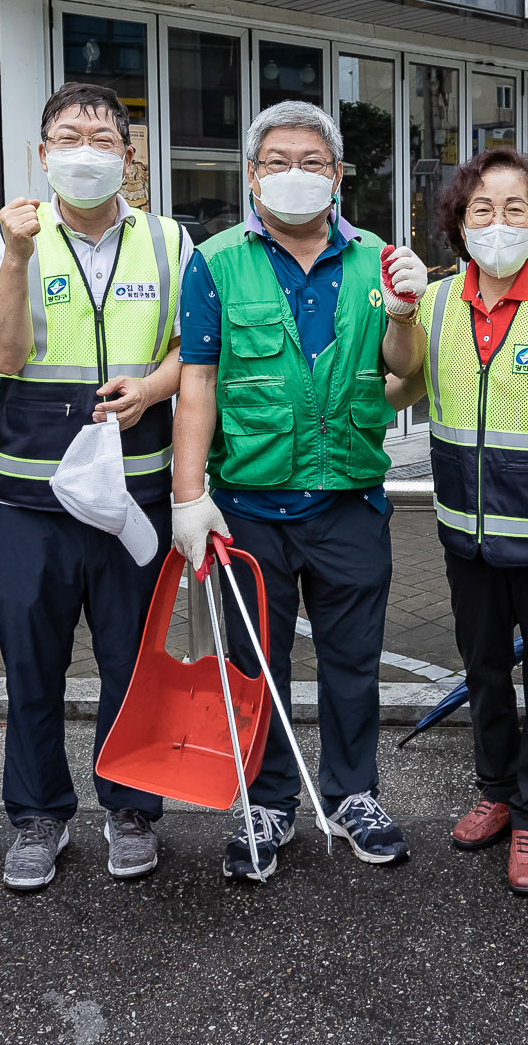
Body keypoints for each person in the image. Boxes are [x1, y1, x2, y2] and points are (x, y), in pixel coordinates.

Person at [168, 99, 430, 881]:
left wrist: (408, 312)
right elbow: (198, 382)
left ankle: (353, 793)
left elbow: (405, 374)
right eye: (277, 161)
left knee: (353, 660)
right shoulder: (214, 261)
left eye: (312, 161)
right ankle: (269, 799)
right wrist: (189, 494)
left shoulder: (377, 259)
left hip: (350, 498)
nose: (295, 174)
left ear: (339, 176)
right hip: (250, 505)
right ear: (252, 176)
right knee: (258, 665)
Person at [0, 84, 187, 889]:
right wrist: (21, 257)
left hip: (136, 494)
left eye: (103, 136)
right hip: (34, 497)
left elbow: (191, 350)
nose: (86, 149)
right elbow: (2, 355)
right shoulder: (8, 240)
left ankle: (130, 807)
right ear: (42, 154)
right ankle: (36, 815)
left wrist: (155, 388)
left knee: (132, 662)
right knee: (33, 661)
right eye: (69, 135)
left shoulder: (171, 241)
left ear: (129, 156)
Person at [394, 149, 528, 896]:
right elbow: (402, 381)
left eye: (514, 207)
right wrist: (397, 314)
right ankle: (495, 786)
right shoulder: (434, 298)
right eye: (481, 208)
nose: (498, 221)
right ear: (458, 221)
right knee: (485, 669)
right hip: (466, 529)